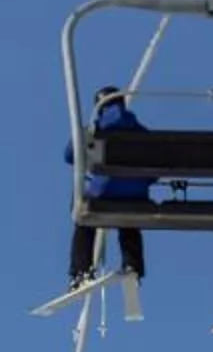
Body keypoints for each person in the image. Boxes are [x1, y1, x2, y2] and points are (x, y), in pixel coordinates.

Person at [64, 85, 150, 289]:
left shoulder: (95, 130)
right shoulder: (141, 132)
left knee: (82, 215)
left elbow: (69, 156)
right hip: (136, 197)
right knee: (130, 218)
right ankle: (133, 265)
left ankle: (81, 270)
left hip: (103, 194)